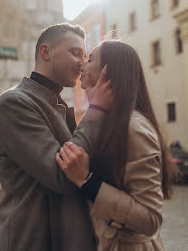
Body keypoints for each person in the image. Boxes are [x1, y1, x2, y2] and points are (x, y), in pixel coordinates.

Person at [0, 23, 114, 251]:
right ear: (45, 52)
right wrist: (95, 111)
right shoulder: (15, 103)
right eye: (75, 53)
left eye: (85, 55)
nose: (82, 62)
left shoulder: (56, 104)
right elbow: (63, 173)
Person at [57, 39, 177, 251]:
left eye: (90, 59)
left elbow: (151, 219)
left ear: (109, 71)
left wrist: (88, 182)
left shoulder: (134, 128)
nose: (82, 66)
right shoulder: (106, 121)